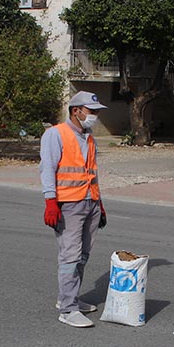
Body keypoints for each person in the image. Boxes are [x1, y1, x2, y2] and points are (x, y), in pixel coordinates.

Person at [40, 90, 108, 328]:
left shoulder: (89, 137)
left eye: (97, 112)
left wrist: (99, 202)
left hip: (90, 202)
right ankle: (67, 310)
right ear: (76, 110)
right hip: (67, 204)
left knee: (83, 255)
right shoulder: (55, 134)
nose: (95, 116)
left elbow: (92, 173)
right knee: (70, 256)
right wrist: (50, 201)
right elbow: (47, 169)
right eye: (91, 112)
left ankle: (69, 298)